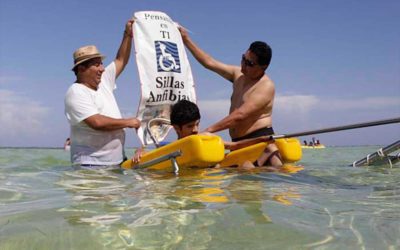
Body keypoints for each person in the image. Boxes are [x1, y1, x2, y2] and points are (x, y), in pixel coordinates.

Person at [179, 26, 282, 168]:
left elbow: (240, 115)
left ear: (262, 67)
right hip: (237, 142)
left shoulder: (265, 86)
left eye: (249, 63)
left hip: (260, 139)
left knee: (271, 170)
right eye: (243, 59)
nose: (243, 65)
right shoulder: (238, 74)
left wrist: (208, 131)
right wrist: (186, 39)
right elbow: (209, 63)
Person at [64, 18, 141, 167]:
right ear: (81, 69)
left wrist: (128, 34)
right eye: (97, 64)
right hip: (90, 166)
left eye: (102, 63)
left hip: (117, 163)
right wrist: (129, 122)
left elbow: (120, 60)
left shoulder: (104, 81)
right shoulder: (76, 92)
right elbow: (97, 123)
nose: (102, 69)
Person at [134, 100, 273, 168]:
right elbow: (148, 150)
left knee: (246, 164)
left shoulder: (205, 138)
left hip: (212, 180)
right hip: (190, 184)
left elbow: (234, 146)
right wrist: (139, 151)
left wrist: (261, 139)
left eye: (197, 124)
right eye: (190, 126)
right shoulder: (170, 148)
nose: (195, 129)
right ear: (177, 128)